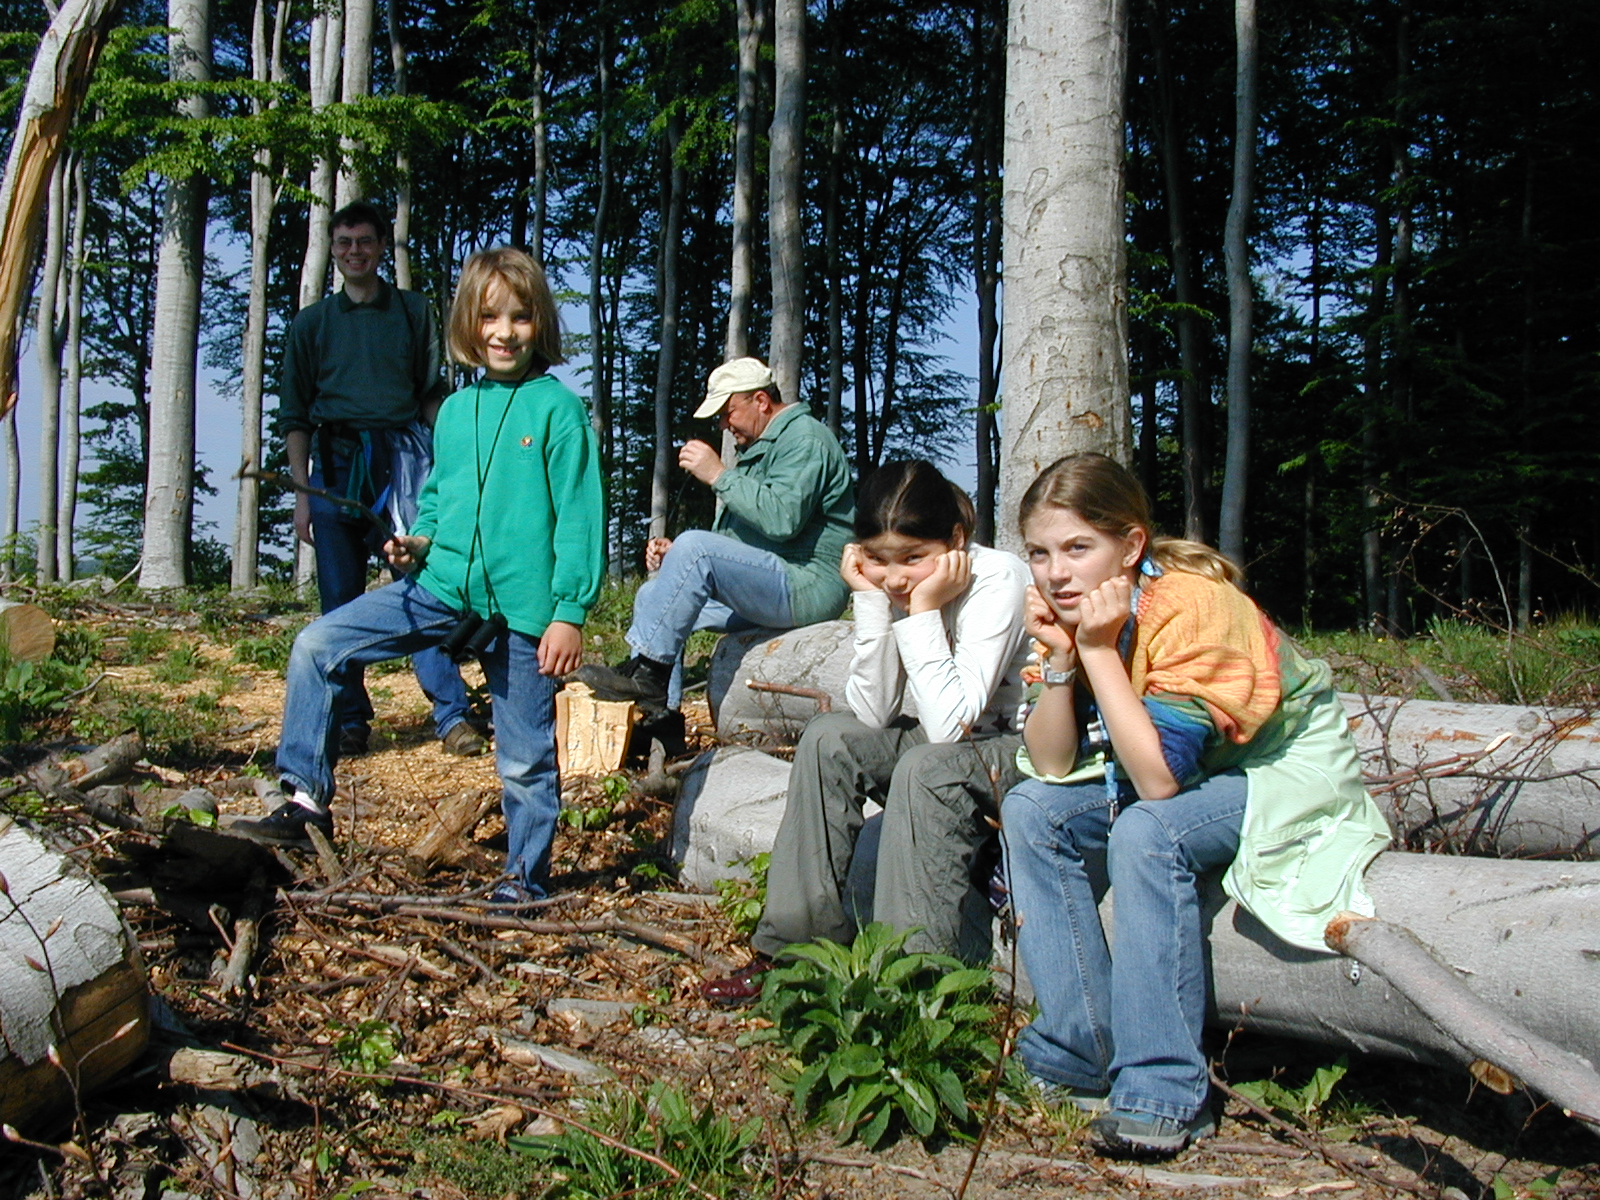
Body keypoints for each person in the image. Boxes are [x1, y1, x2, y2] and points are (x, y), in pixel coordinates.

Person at [999, 453, 1391, 1161]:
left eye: (1078, 548)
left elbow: (1156, 785)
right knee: (1033, 809)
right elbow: (1053, 763)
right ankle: (1078, 1049)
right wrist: (1064, 658)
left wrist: (1095, 648)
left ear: (1132, 545)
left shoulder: (1192, 605)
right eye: (1040, 552)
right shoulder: (1078, 610)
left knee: (1150, 832)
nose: (1056, 572)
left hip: (1280, 773)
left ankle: (1161, 1089)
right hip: (1200, 771)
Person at [237, 248, 605, 906]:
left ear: (539, 324)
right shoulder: (456, 413)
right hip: (440, 592)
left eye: (520, 318)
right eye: (489, 316)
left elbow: (579, 516)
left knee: (523, 759)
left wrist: (568, 611)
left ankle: (524, 881)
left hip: (525, 614)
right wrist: (418, 545)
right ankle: (304, 804)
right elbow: (436, 500)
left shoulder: (557, 410)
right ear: (468, 322)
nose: (504, 332)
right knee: (317, 645)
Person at [701, 460, 1032, 1002]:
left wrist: (921, 610)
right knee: (831, 738)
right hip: (947, 741)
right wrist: (873, 600)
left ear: (956, 540)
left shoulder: (997, 579)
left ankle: (909, 982)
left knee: (925, 766)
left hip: (1017, 752)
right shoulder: (891, 585)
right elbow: (873, 711)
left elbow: (952, 726)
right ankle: (792, 951)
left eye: (914, 559)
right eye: (877, 559)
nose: (897, 576)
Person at [278, 201, 483, 759]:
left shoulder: (414, 312)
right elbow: (295, 415)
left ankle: (451, 714)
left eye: (364, 242)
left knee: (423, 587)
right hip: (338, 466)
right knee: (338, 601)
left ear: (381, 247)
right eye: (344, 244)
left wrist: (455, 464)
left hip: (402, 462)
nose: (354, 253)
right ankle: (349, 720)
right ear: (334, 250)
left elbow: (429, 396)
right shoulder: (312, 323)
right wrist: (304, 498)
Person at [571, 357, 854, 722]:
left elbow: (782, 519)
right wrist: (680, 559)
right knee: (652, 594)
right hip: (777, 580)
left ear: (761, 402)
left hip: (808, 586)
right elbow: (748, 539)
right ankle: (660, 719)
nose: (723, 424)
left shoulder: (806, 439)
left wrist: (718, 474)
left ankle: (649, 678)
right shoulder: (765, 445)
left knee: (695, 548)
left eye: (727, 411)